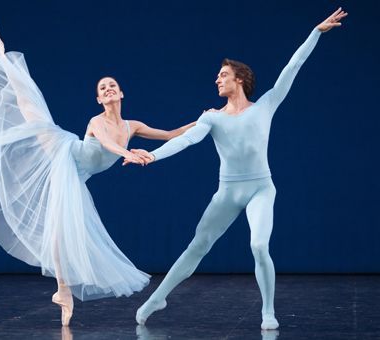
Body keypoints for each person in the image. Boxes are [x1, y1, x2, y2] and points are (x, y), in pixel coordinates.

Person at [125, 8, 348, 329]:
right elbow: (185, 141)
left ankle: (268, 312)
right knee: (197, 246)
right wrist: (153, 155)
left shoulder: (267, 105)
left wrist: (315, 31)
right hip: (228, 192)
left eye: (223, 74)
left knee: (259, 245)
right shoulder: (211, 117)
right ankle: (158, 297)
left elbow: (293, 66)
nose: (217, 78)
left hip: (260, 187)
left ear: (239, 78)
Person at [0, 21, 195, 326]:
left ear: (121, 93)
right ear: (99, 100)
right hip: (64, 154)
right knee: (26, 97)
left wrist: (203, 122)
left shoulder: (132, 126)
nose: (108, 89)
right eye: (102, 88)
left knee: (62, 229)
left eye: (112, 85)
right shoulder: (96, 120)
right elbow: (105, 143)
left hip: (78, 174)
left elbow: (170, 134)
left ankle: (62, 291)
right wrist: (128, 153)